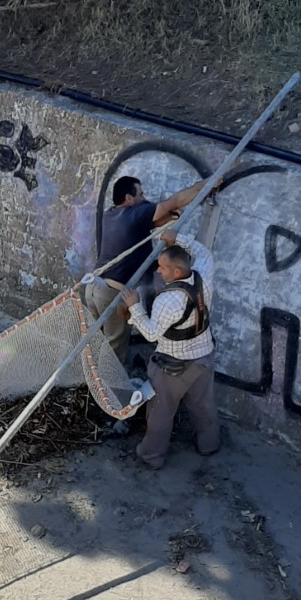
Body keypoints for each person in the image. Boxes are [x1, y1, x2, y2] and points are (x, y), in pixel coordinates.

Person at [121, 228, 219, 468]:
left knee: (160, 413)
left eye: (162, 267)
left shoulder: (167, 300)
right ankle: (209, 445)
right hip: (203, 358)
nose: (158, 271)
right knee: (203, 406)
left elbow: (152, 333)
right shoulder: (203, 276)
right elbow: (204, 253)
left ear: (176, 271)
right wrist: (177, 240)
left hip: (172, 366)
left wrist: (135, 307)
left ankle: (151, 456)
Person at [85, 175, 208, 364]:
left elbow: (155, 220)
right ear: (129, 198)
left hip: (94, 289)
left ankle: (88, 384)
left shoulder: (111, 215)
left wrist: (171, 216)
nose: (143, 198)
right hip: (112, 295)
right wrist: (203, 186)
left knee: (93, 344)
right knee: (113, 357)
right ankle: (109, 392)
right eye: (140, 194)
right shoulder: (136, 214)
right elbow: (173, 202)